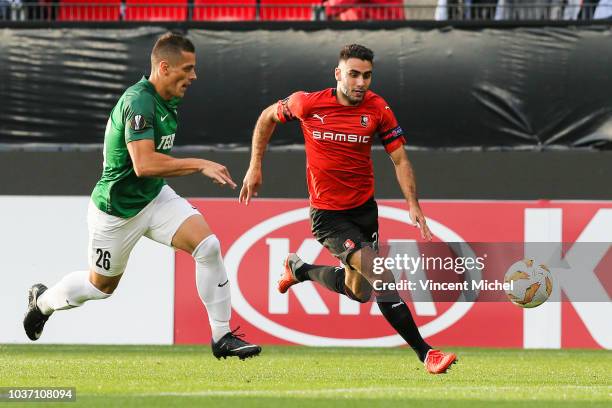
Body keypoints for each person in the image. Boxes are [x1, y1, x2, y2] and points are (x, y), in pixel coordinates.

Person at [23, 32, 261, 360]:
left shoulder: (167, 98)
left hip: (154, 197)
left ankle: (222, 337)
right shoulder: (139, 101)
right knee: (100, 287)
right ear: (164, 67)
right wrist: (200, 163)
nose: (194, 76)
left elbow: (150, 171)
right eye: (188, 68)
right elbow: (144, 164)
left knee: (208, 247)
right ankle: (44, 301)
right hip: (116, 210)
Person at [239, 44, 456, 374]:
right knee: (382, 276)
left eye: (367, 76)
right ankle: (427, 353)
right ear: (338, 74)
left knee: (359, 291)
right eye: (353, 74)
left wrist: (413, 203)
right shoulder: (306, 103)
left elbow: (399, 159)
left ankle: (300, 270)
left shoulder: (378, 109)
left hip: (364, 211)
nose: (360, 82)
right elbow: (267, 117)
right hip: (328, 216)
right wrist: (255, 166)